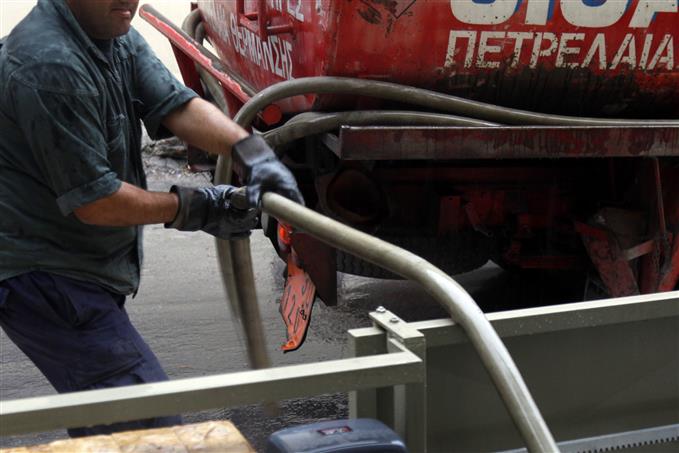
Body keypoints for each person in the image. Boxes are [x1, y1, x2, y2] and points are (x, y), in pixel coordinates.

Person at [0, 0, 303, 437]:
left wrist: (251, 151)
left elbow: (175, 105)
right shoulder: (49, 66)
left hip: (80, 259)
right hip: (45, 275)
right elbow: (97, 202)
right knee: (145, 425)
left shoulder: (108, 29)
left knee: (117, 423)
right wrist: (194, 207)